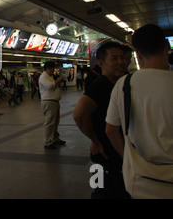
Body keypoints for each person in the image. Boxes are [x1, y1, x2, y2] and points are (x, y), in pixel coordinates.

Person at [105, 24, 173, 198]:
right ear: (167, 45)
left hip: (141, 180)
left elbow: (111, 129)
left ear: (137, 53)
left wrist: (126, 157)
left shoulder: (124, 84)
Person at [73, 42, 128, 198]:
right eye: (115, 58)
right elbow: (79, 114)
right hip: (104, 153)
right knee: (102, 190)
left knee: (109, 188)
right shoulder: (100, 85)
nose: (121, 62)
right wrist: (95, 141)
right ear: (101, 63)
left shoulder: (117, 84)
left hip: (111, 151)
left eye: (122, 58)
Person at [39, 62, 65, 149]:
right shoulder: (43, 77)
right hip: (48, 102)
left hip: (54, 101)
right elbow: (50, 86)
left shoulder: (49, 76)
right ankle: (48, 142)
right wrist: (59, 80)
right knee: (50, 122)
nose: (53, 70)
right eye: (52, 69)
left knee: (55, 122)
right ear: (47, 69)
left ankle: (55, 138)